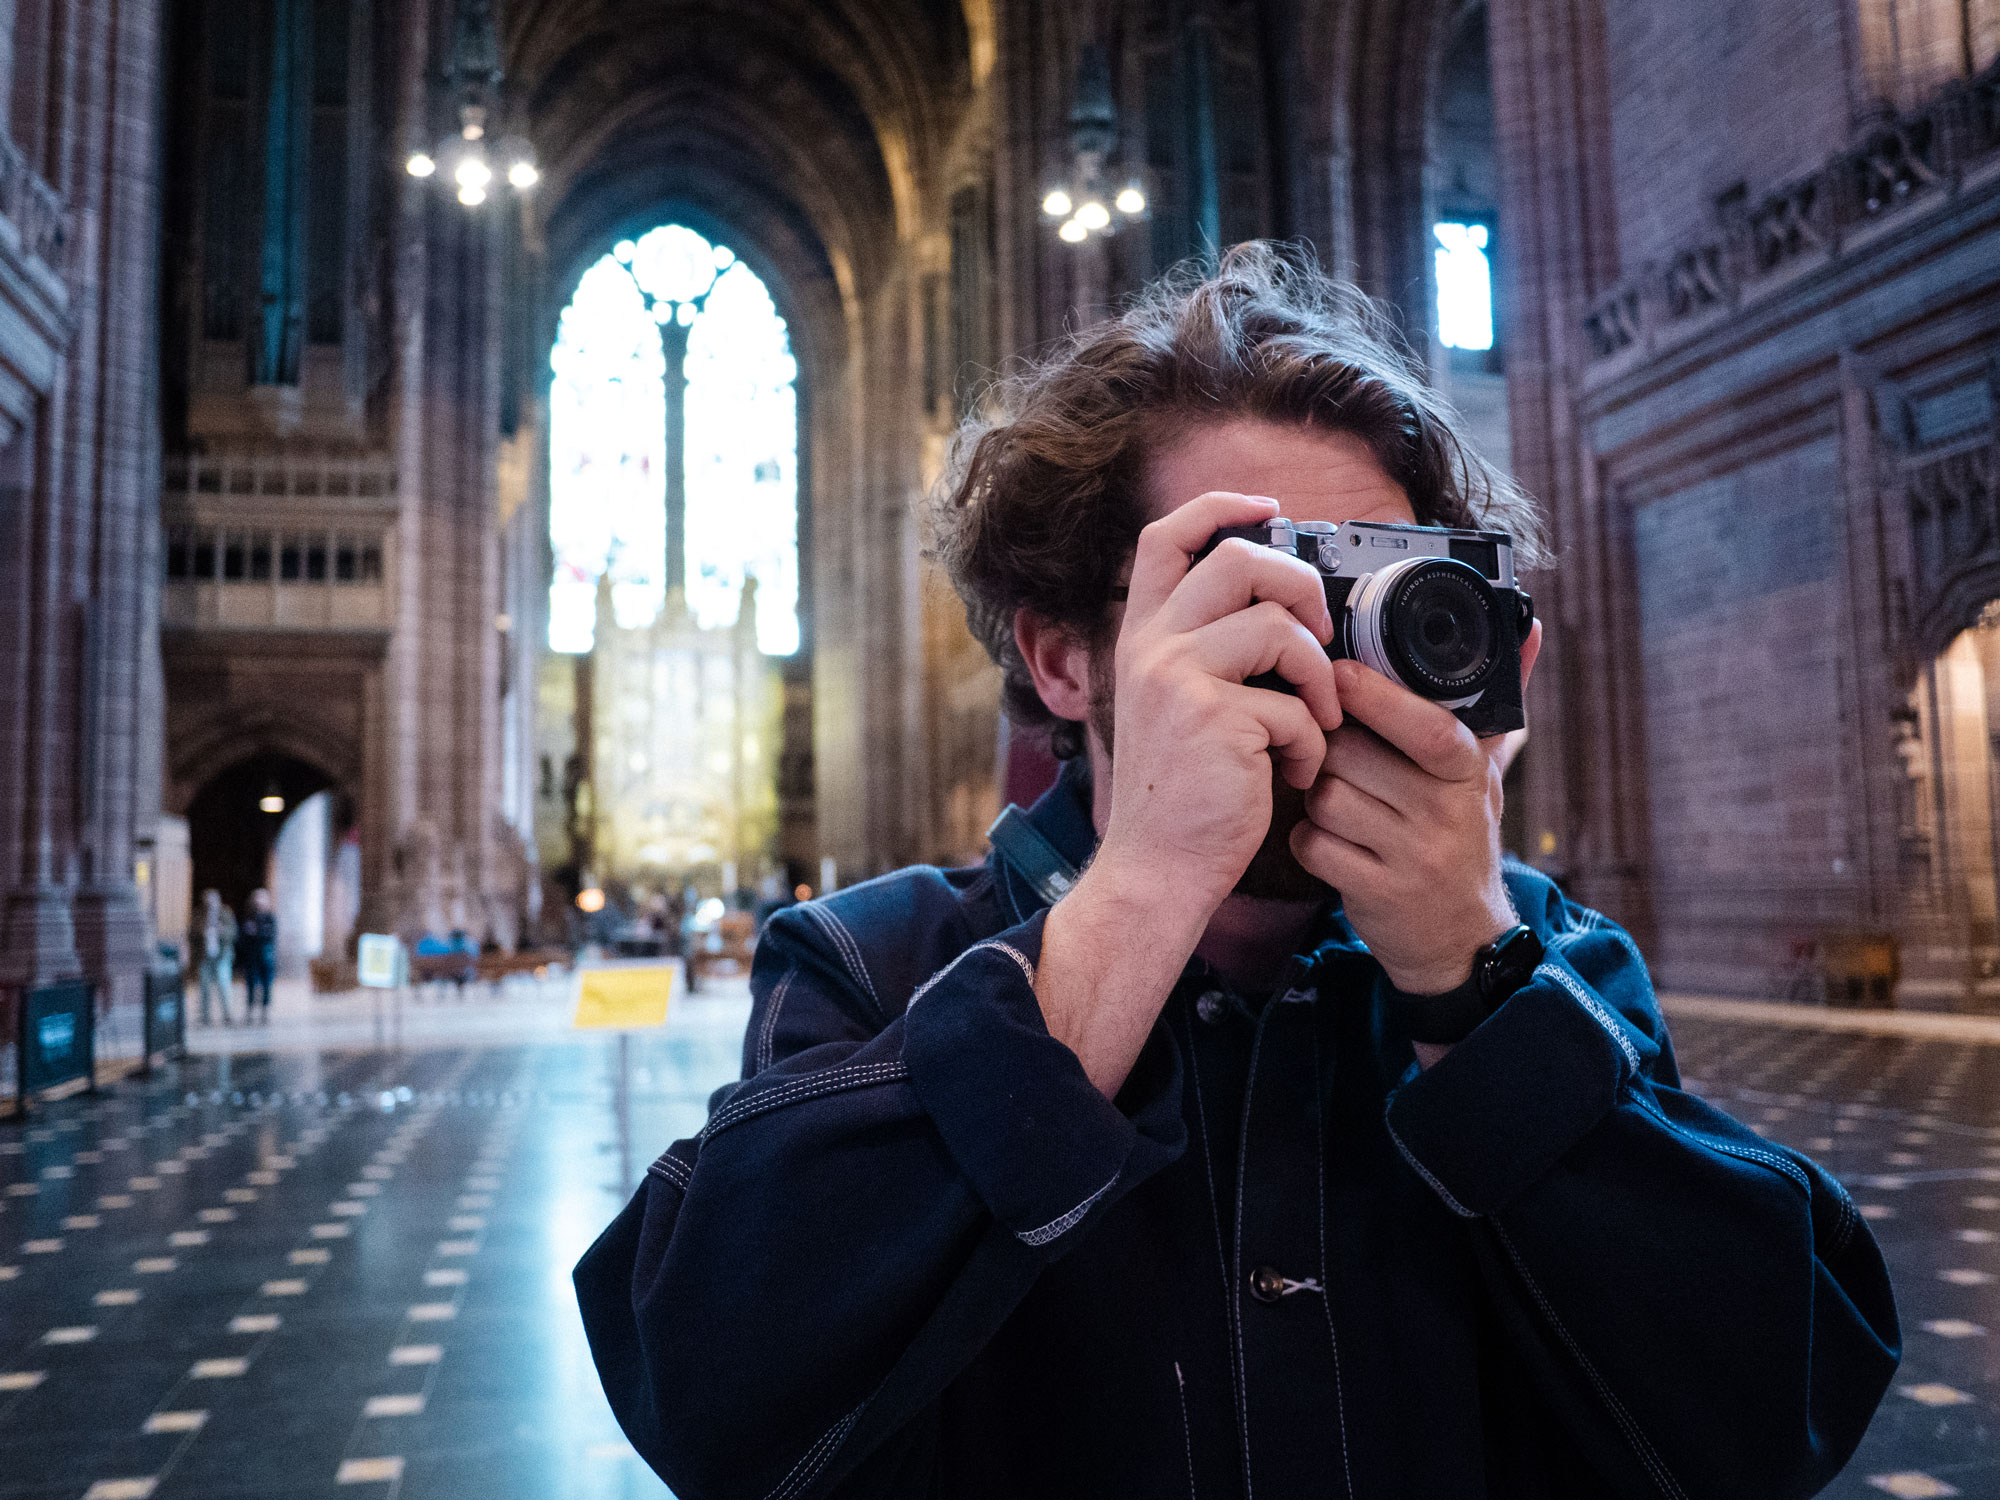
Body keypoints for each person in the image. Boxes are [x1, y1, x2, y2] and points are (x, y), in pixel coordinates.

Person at [575, 246, 1899, 1498]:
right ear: (1063, 660)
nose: (1317, 662)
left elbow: (1775, 1422)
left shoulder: (1551, 967)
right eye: (1252, 591)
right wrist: (1143, 896)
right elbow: (706, 1395)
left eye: (1378, 595)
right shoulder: (874, 964)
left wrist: (1475, 991)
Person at [194, 888, 236, 1026]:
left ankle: (227, 1015)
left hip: (222, 954)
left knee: (223, 985)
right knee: (204, 987)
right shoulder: (199, 914)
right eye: (207, 899)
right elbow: (192, 934)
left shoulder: (225, 913)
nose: (210, 902)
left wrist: (222, 931)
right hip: (204, 955)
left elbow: (233, 933)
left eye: (213, 899)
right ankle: (205, 1016)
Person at [237, 888, 278, 1024]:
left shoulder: (270, 917)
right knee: (251, 984)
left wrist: (257, 932)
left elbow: (271, 936)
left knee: (266, 985)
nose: (258, 901)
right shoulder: (249, 916)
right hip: (251, 956)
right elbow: (242, 937)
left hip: (266, 956)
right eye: (256, 898)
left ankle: (264, 1012)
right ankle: (249, 1011)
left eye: (262, 898)